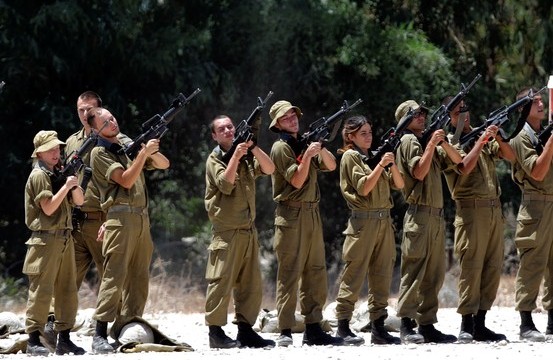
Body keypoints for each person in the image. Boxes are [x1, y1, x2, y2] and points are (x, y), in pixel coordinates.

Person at [85, 107, 170, 353]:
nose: (113, 122)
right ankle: (99, 333)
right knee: (114, 275)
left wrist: (150, 150)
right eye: (105, 121)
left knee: (139, 277)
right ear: (95, 129)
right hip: (119, 218)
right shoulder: (99, 153)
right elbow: (126, 179)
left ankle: (128, 325)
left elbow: (165, 164)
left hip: (141, 219)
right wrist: (143, 154)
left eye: (112, 117)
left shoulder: (126, 143)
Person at [268, 100, 344, 347]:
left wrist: (318, 148)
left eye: (294, 115)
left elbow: (332, 165)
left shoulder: (303, 144)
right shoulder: (281, 148)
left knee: (316, 272)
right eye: (286, 117)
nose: (292, 119)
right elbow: (297, 181)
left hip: (312, 214)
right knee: (290, 274)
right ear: (277, 123)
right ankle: (286, 330)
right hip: (291, 215)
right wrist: (308, 156)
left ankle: (313, 327)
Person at [442, 98, 515, 343]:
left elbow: (510, 156)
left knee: (492, 267)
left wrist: (498, 136)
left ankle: (481, 323)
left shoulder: (478, 135)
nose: (463, 114)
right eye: (457, 112)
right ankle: (466, 322)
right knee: (471, 268)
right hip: (471, 212)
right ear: (449, 117)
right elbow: (464, 166)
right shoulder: (449, 143)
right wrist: (481, 140)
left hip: (493, 210)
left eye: (465, 109)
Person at [204, 115, 276, 349]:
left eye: (230, 127)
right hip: (226, 232)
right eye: (221, 129)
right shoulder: (215, 160)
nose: (227, 131)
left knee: (250, 284)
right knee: (221, 283)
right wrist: (235, 156)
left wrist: (252, 147)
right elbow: (225, 185)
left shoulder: (245, 157)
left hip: (248, 230)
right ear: (214, 135)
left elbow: (269, 168)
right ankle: (215, 333)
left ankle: (245, 330)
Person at [394, 100, 462, 344]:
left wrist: (441, 141)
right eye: (415, 114)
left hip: (435, 215)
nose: (422, 117)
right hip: (420, 214)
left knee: (434, 273)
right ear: (404, 119)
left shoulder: (425, 142)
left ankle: (426, 323)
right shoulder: (408, 141)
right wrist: (432, 143)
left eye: (423, 113)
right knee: (414, 271)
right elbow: (419, 172)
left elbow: (458, 163)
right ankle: (406, 324)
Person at [334, 115, 404, 345]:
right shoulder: (351, 157)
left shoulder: (372, 158)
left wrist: (390, 163)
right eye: (362, 133)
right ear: (350, 136)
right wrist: (381, 165)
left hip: (383, 222)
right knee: (353, 275)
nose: (368, 137)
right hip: (363, 223)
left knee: (382, 275)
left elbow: (400, 184)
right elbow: (364, 187)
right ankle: (343, 327)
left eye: (369, 132)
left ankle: (378, 326)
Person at [23, 130, 86, 356]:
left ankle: (65, 338)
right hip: (45, 239)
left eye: (58, 148)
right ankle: (33, 340)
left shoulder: (57, 174)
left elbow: (80, 201)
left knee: (68, 289)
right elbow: (48, 208)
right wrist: (66, 187)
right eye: (50, 149)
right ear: (39, 152)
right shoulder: (39, 176)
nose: (56, 152)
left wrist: (73, 183)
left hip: (65, 237)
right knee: (41, 291)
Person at [509, 87, 552, 342]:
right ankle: (526, 322)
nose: (540, 103)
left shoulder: (542, 133)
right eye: (533, 101)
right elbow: (536, 171)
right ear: (523, 108)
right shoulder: (520, 137)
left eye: (540, 99)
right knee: (533, 263)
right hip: (535, 206)